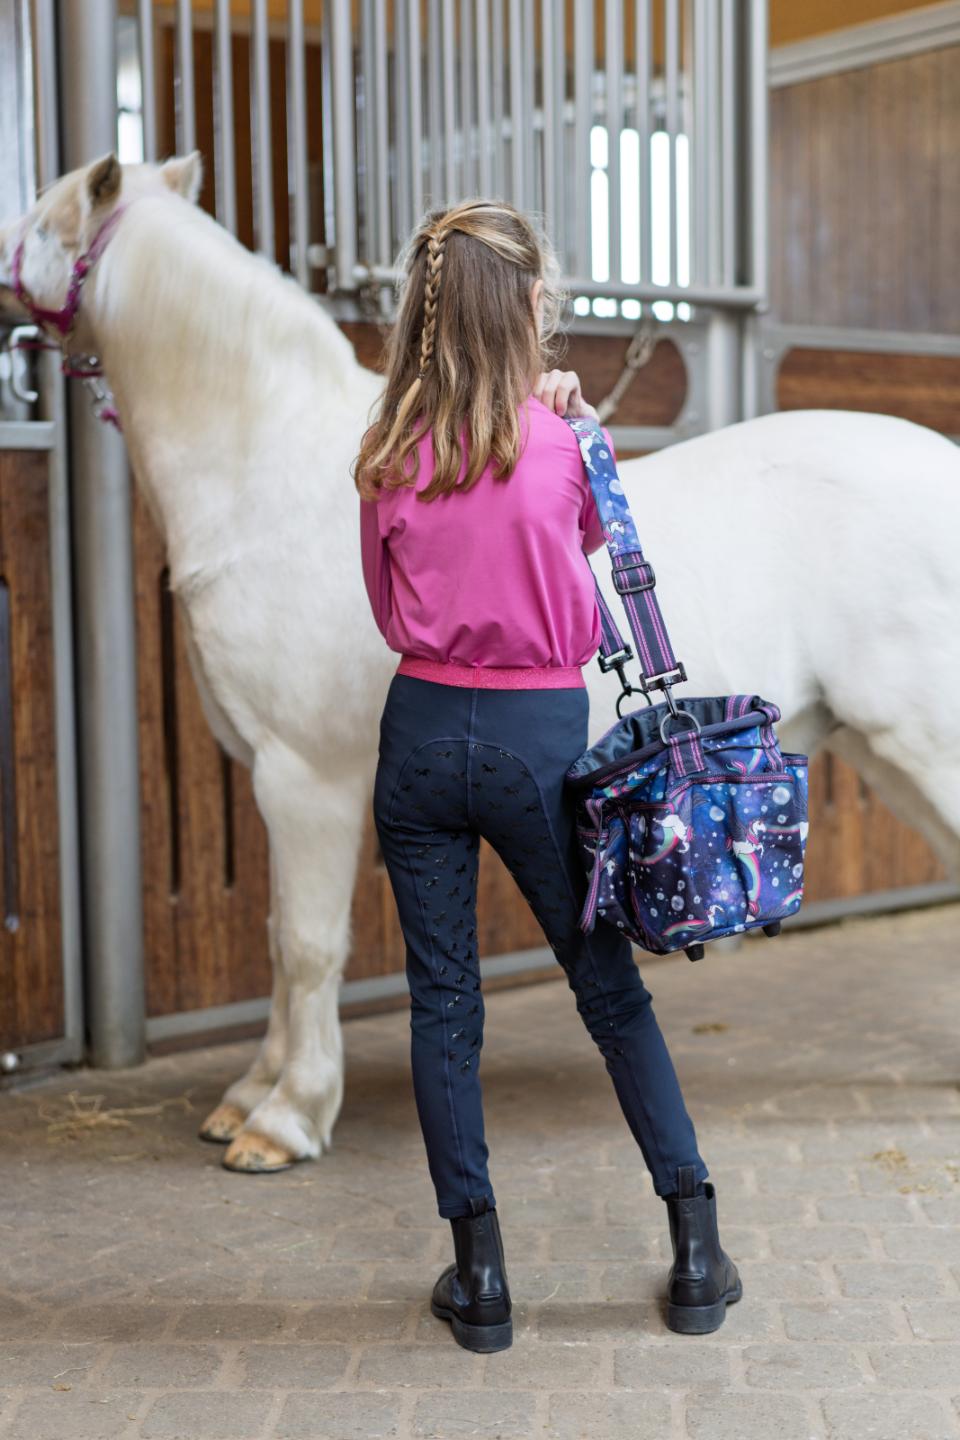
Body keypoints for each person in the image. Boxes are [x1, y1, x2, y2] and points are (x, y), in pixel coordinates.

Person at [352, 199, 740, 1354]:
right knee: (606, 991)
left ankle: (479, 1280)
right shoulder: (567, 442)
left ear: (428, 312)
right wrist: (563, 414)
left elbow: (389, 613)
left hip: (421, 730)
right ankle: (697, 1249)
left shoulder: (385, 452)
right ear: (528, 306)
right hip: (539, 737)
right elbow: (586, 549)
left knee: (444, 1003)